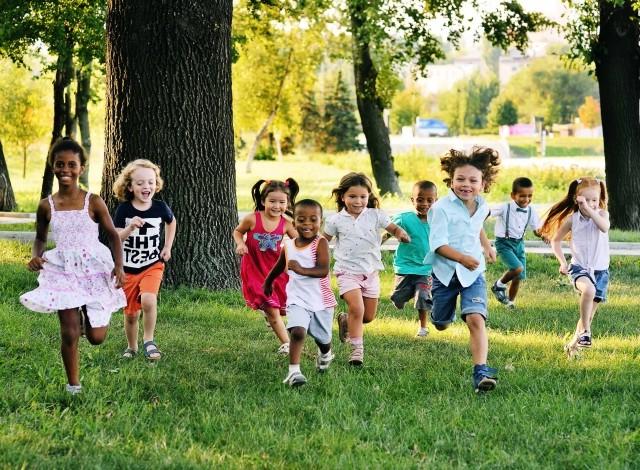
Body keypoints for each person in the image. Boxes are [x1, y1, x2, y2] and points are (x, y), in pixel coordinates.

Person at [20, 137, 126, 394]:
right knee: (69, 333)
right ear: (52, 167)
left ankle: (86, 316)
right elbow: (40, 238)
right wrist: (37, 255)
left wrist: (119, 266)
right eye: (59, 164)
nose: (65, 169)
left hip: (93, 267)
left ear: (81, 168)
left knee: (96, 338)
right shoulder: (47, 205)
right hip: (62, 270)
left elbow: (112, 234)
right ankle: (73, 386)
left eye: (71, 164)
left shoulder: (93, 201)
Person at [425, 147, 500, 393]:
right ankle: (437, 312)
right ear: (450, 180)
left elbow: (476, 226)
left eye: (472, 180)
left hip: (473, 273)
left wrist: (486, 246)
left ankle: (481, 371)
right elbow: (438, 245)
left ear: (483, 183)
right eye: (460, 179)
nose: (466, 184)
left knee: (475, 319)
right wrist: (462, 259)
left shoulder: (482, 205)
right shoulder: (440, 209)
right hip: (446, 273)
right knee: (441, 323)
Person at [323, 172, 410, 366]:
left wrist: (401, 234)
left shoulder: (375, 215)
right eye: (352, 196)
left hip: (370, 273)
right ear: (342, 197)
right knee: (358, 308)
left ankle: (346, 320)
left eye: (363, 196)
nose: (358, 201)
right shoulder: (336, 220)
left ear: (369, 196)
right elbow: (322, 242)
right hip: (346, 272)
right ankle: (357, 351)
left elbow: (393, 228)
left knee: (367, 317)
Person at [263, 199, 336, 387]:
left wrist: (301, 269)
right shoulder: (288, 245)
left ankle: (326, 353)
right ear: (293, 222)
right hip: (297, 298)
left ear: (321, 222)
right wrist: (268, 282)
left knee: (323, 338)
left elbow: (323, 270)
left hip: (321, 300)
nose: (307, 224)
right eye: (302, 220)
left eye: (313, 220)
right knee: (297, 331)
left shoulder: (320, 243)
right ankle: (294, 372)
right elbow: (280, 266)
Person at [112, 159, 177, 361]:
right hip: (129, 268)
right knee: (131, 315)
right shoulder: (124, 210)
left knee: (149, 300)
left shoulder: (160, 207)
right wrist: (130, 227)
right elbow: (115, 237)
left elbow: (171, 222)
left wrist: (167, 247)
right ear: (130, 186)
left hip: (152, 265)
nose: (146, 186)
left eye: (150, 182)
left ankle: (149, 340)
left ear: (156, 184)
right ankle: (132, 347)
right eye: (140, 183)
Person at [539, 177, 609, 356]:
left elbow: (604, 228)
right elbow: (555, 241)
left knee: (589, 314)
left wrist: (590, 209)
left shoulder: (601, 214)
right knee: (589, 291)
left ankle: (573, 345)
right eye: (586, 200)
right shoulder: (572, 220)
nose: (591, 204)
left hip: (601, 271)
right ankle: (586, 332)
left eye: (595, 200)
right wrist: (562, 262)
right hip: (579, 268)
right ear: (577, 199)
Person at [234, 178, 299, 354]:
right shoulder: (252, 219)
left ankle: (269, 314)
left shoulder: (286, 223)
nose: (276, 206)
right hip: (255, 269)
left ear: (287, 203)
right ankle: (287, 344)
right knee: (272, 308)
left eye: (281, 202)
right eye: (272, 201)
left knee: (280, 304)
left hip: (276, 269)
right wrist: (241, 244)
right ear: (263, 201)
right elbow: (238, 231)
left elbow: (298, 241)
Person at [389, 180, 438, 337]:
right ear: (412, 200)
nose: (425, 204)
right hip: (405, 267)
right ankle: (404, 295)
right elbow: (387, 229)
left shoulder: (438, 221)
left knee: (423, 296)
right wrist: (376, 244)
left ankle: (423, 328)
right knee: (397, 298)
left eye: (430, 200)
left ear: (436, 201)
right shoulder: (404, 219)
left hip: (426, 269)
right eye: (420, 200)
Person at [489, 177, 546, 309]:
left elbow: (536, 229)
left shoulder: (531, 211)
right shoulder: (505, 207)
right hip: (504, 243)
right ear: (513, 195)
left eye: (529, 196)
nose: (526, 199)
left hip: (519, 244)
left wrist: (543, 235)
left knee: (518, 276)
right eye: (522, 196)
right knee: (517, 268)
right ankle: (499, 285)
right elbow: (489, 212)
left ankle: (511, 302)